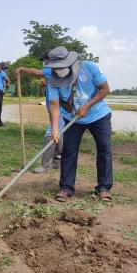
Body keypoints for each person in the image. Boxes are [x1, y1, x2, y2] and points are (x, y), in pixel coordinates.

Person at [45, 46, 112, 203]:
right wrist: (55, 129)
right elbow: (54, 105)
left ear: (69, 63)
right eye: (55, 67)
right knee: (69, 151)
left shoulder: (89, 67)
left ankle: (104, 188)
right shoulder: (53, 80)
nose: (58, 70)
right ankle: (66, 188)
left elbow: (105, 89)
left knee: (104, 149)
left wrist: (87, 106)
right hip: (72, 118)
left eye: (60, 67)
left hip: (98, 115)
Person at [15, 52, 64, 173]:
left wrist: (22, 69)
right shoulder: (58, 70)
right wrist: (46, 84)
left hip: (60, 109)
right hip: (58, 108)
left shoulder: (51, 68)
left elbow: (36, 73)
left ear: (49, 59)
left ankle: (45, 165)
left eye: (44, 60)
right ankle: (57, 162)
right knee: (59, 132)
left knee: (50, 132)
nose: (44, 63)